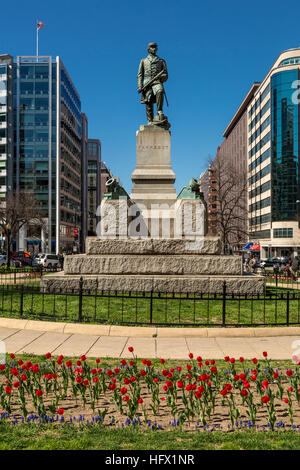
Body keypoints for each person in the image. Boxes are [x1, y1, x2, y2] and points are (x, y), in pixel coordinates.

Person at [137, 42, 168, 124]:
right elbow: (140, 75)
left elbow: (166, 74)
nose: (154, 49)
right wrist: (140, 86)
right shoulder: (143, 61)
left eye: (155, 47)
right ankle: (150, 120)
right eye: (152, 47)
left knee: (160, 91)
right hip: (146, 83)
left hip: (157, 82)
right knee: (148, 102)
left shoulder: (161, 61)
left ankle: (159, 111)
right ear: (148, 49)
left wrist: (162, 77)